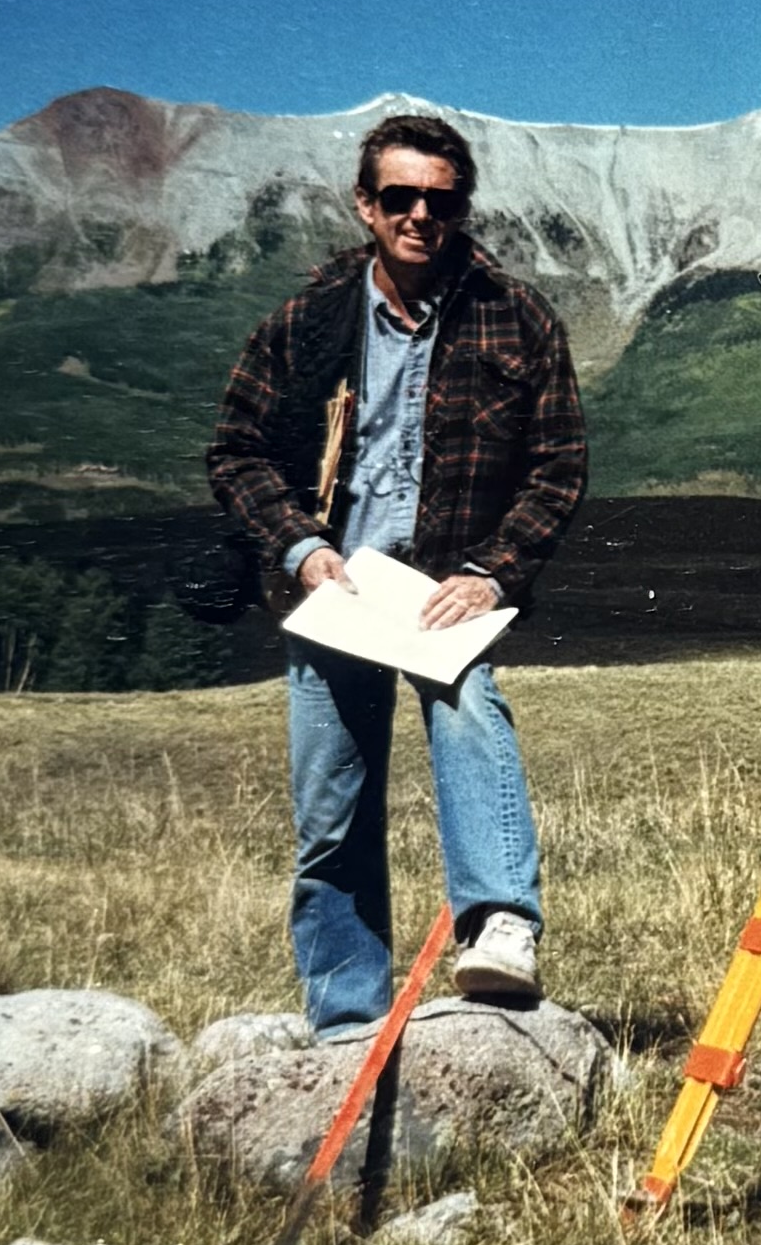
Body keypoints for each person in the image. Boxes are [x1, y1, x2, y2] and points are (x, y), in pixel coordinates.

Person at [209, 113, 587, 1039]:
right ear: (365, 205)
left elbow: (559, 464)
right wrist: (302, 549)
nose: (421, 215)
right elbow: (236, 449)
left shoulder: (517, 314)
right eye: (400, 197)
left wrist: (493, 573)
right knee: (332, 808)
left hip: (445, 587)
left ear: (462, 208)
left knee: (470, 711)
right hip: (337, 591)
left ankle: (501, 928)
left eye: (440, 201)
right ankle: (346, 1020)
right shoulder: (309, 320)